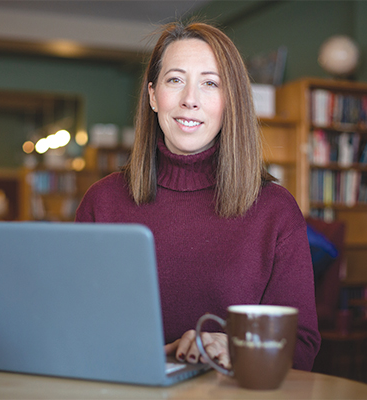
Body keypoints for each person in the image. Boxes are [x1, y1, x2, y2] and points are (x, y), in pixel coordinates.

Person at [75, 21, 320, 371]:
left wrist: (236, 347)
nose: (190, 100)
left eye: (210, 83)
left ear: (230, 101)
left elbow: (301, 345)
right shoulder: (103, 202)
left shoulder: (275, 210)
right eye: (175, 80)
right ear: (152, 96)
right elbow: (76, 328)